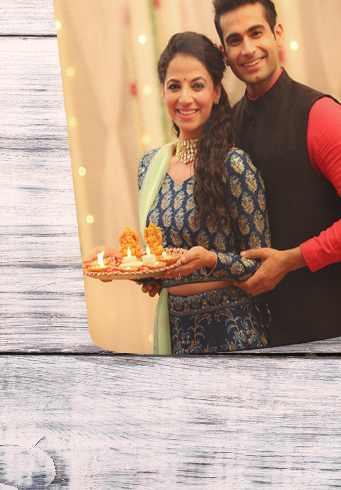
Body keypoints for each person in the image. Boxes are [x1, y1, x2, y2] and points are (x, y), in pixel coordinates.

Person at [212, 0, 341, 347]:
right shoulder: (228, 125)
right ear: (224, 53)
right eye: (234, 40)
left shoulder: (321, 114)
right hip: (264, 331)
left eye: (256, 33)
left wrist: (291, 260)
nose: (247, 49)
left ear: (277, 34)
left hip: (335, 325)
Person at [90, 32, 272, 355]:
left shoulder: (234, 165)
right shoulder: (151, 166)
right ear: (163, 92)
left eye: (197, 85)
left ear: (216, 92)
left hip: (233, 332)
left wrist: (211, 259)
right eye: (175, 86)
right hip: (176, 333)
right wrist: (117, 263)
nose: (185, 98)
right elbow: (160, 264)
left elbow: (260, 267)